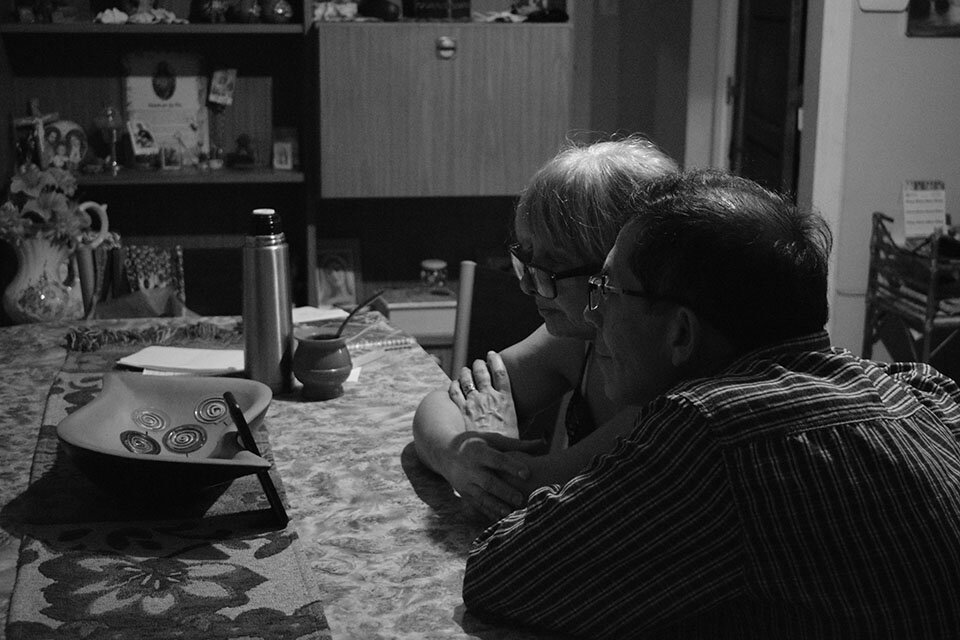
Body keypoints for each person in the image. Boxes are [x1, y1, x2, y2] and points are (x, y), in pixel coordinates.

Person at [462, 169, 960, 639]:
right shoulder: (919, 390)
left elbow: (504, 574)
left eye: (608, 290)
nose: (595, 313)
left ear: (681, 333)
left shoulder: (712, 432)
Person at [412, 136, 679, 522]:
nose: (526, 286)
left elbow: (535, 493)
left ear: (613, 269)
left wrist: (488, 437)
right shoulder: (578, 338)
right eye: (525, 263)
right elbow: (437, 405)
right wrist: (456, 454)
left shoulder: (662, 389)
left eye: (547, 272)